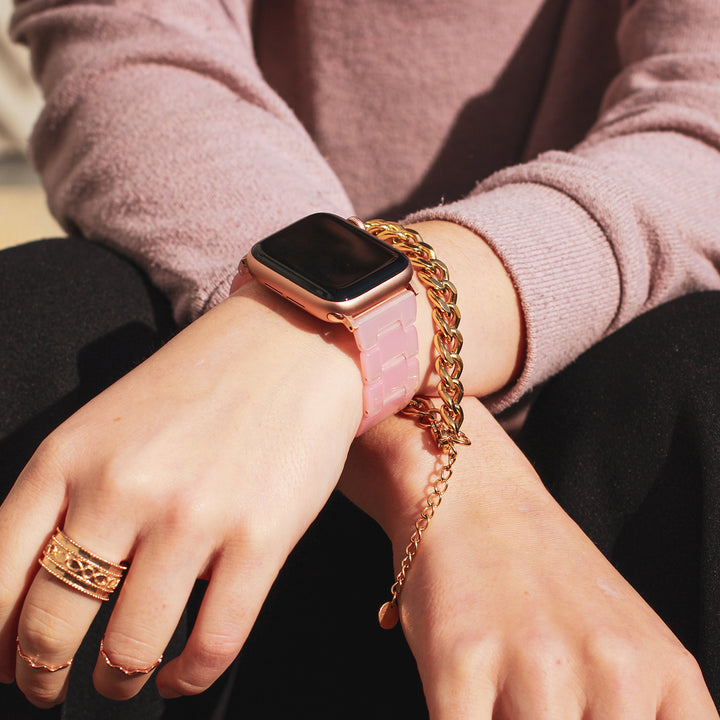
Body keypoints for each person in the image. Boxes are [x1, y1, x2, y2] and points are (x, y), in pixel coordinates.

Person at [1, 0, 719, 717]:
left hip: (607, 463)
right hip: (213, 431)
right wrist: (439, 460)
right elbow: (133, 45)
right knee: (46, 318)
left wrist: (335, 345)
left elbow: (700, 126)